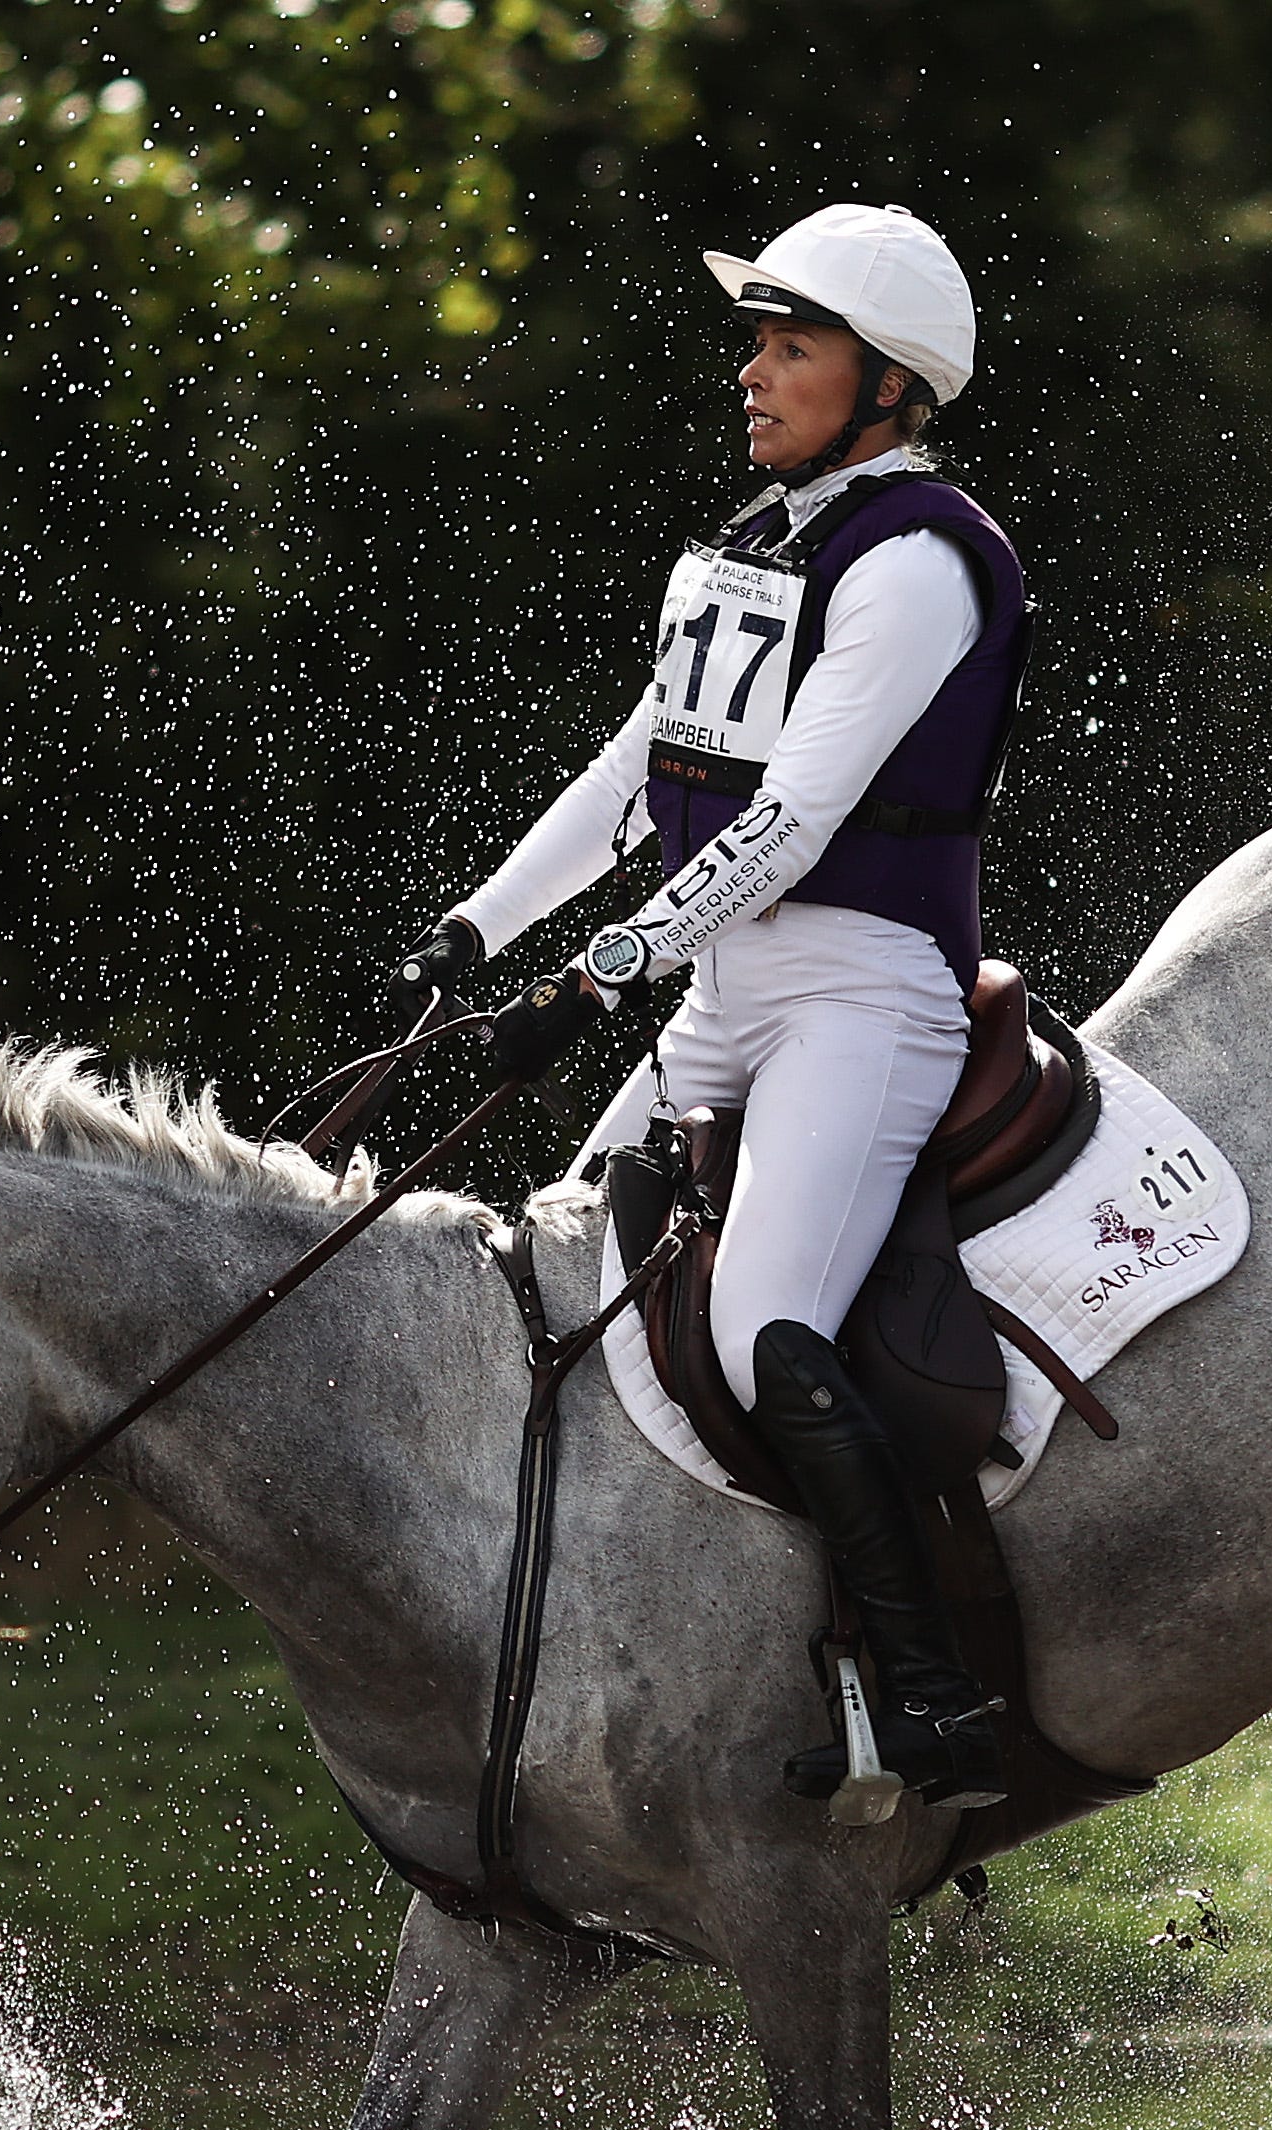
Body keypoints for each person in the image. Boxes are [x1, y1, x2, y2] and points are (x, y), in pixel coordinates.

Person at [399, 202, 1033, 1813]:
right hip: (731, 985)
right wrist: (479, 931)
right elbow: (643, 774)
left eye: (790, 344)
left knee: (760, 1335)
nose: (753, 372)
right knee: (550, 1261)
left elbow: (794, 823)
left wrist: (598, 973)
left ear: (888, 383)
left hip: (860, 997)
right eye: (755, 340)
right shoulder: (758, 542)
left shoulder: (920, 561)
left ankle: (933, 1697)